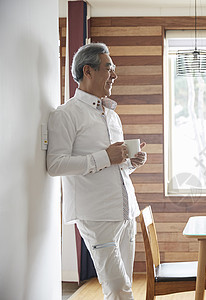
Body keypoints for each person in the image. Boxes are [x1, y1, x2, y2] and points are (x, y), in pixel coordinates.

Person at [47, 43, 147, 300]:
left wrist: (128, 163)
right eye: (109, 68)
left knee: (122, 287)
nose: (114, 75)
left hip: (126, 214)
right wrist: (106, 157)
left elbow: (114, 166)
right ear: (88, 71)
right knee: (118, 289)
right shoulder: (66, 114)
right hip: (96, 216)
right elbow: (55, 164)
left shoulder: (112, 115)